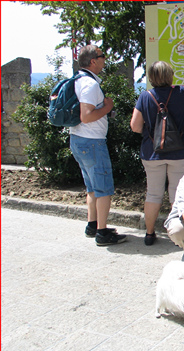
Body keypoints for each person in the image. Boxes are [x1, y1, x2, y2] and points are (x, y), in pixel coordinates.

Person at [130, 61, 184, 245]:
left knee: (153, 194)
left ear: (151, 77)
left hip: (152, 153)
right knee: (179, 194)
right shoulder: (182, 93)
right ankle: (180, 236)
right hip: (180, 152)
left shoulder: (145, 97)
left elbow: (135, 126)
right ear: (170, 76)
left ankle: (150, 234)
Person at [69, 45, 127, 246]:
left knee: (92, 187)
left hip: (78, 139)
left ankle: (92, 225)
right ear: (93, 61)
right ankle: (102, 233)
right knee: (104, 188)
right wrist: (108, 107)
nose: (105, 60)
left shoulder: (76, 80)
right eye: (102, 56)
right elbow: (86, 116)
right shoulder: (90, 85)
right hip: (92, 141)